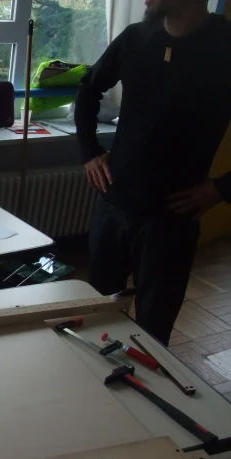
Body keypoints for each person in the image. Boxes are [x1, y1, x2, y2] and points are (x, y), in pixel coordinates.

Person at [75, 0, 231, 345]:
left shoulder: (225, 45)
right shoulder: (136, 38)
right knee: (99, 317)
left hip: (172, 221)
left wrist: (221, 188)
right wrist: (90, 153)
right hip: (113, 205)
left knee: (152, 334)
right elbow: (88, 90)